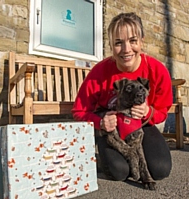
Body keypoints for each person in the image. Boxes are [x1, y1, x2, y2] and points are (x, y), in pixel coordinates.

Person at [71, 12, 172, 181]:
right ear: (111, 46)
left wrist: (148, 112)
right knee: (120, 172)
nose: (126, 50)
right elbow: (79, 111)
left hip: (140, 125)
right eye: (118, 43)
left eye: (133, 41)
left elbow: (162, 111)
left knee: (160, 169)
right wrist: (100, 122)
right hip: (111, 127)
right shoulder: (99, 72)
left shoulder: (157, 71)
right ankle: (105, 158)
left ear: (141, 41)